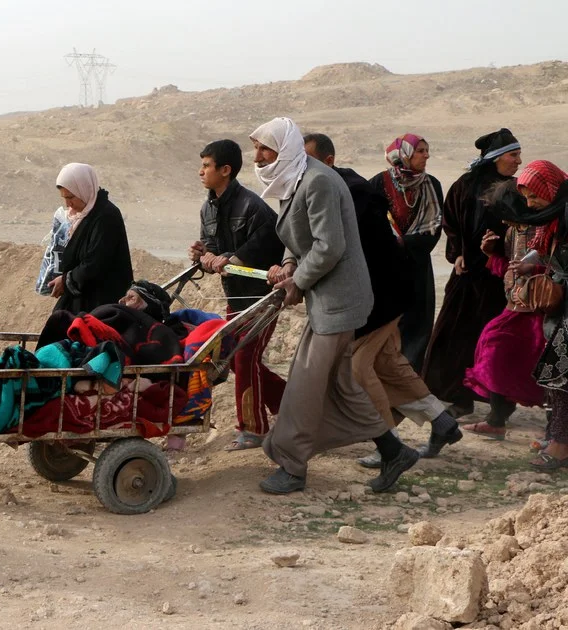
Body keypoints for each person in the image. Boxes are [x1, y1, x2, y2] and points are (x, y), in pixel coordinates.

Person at [250, 117, 419, 495]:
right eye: (257, 148)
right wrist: (290, 265)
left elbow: (329, 246)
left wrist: (299, 280)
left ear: (286, 147)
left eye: (266, 149)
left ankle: (292, 466)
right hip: (326, 300)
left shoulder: (319, 181)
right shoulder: (293, 177)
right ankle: (394, 451)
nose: (258, 157)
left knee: (305, 386)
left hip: (340, 300)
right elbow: (299, 236)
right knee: (343, 385)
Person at [304, 134, 462, 464]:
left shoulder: (348, 190)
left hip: (394, 283)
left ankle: (389, 444)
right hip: (387, 282)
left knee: (361, 365)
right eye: (419, 151)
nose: (425, 156)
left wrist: (403, 248)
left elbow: (359, 244)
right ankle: (441, 421)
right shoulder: (371, 184)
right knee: (388, 360)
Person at [186, 140, 286, 450]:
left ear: (225, 170)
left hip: (262, 296)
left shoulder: (253, 207)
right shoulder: (208, 208)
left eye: (206, 166)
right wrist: (202, 253)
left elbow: (268, 247)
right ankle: (292, 404)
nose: (200, 171)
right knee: (231, 355)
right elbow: (213, 248)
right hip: (235, 296)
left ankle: (252, 429)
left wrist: (232, 259)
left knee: (245, 356)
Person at [422, 129, 522, 419]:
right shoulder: (464, 185)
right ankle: (459, 397)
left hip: (500, 277)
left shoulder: (516, 189)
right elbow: (450, 222)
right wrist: (457, 254)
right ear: (495, 158)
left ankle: (499, 408)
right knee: (456, 336)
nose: (518, 161)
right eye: (513, 155)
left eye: (518, 155)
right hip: (466, 277)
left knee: (498, 341)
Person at [463, 161, 565, 440]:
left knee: (547, 371)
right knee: (495, 354)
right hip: (518, 307)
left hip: (541, 312)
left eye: (533, 198)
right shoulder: (514, 231)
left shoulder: (551, 226)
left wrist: (534, 268)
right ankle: (498, 420)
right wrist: (492, 254)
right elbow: (507, 271)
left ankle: (553, 434)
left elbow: (559, 267)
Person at [368, 135, 444, 372]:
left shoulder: (432, 185)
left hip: (417, 266)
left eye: (427, 150)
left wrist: (404, 243)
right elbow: (369, 224)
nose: (426, 155)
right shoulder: (377, 184)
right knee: (385, 326)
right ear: (404, 155)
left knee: (417, 326)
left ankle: (409, 386)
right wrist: (389, 246)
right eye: (420, 150)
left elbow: (434, 230)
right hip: (386, 269)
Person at [517, 161, 568, 469]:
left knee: (561, 375)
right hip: (561, 301)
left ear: (549, 189)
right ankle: (558, 435)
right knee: (556, 375)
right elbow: (547, 247)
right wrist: (529, 263)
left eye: (534, 196)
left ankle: (562, 445)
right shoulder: (553, 216)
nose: (530, 204)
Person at [47, 163, 133, 313]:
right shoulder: (85, 215)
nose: (68, 204)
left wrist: (66, 281)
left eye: (71, 197)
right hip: (84, 298)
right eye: (65, 198)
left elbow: (95, 262)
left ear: (84, 189)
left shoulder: (106, 216)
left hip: (101, 303)